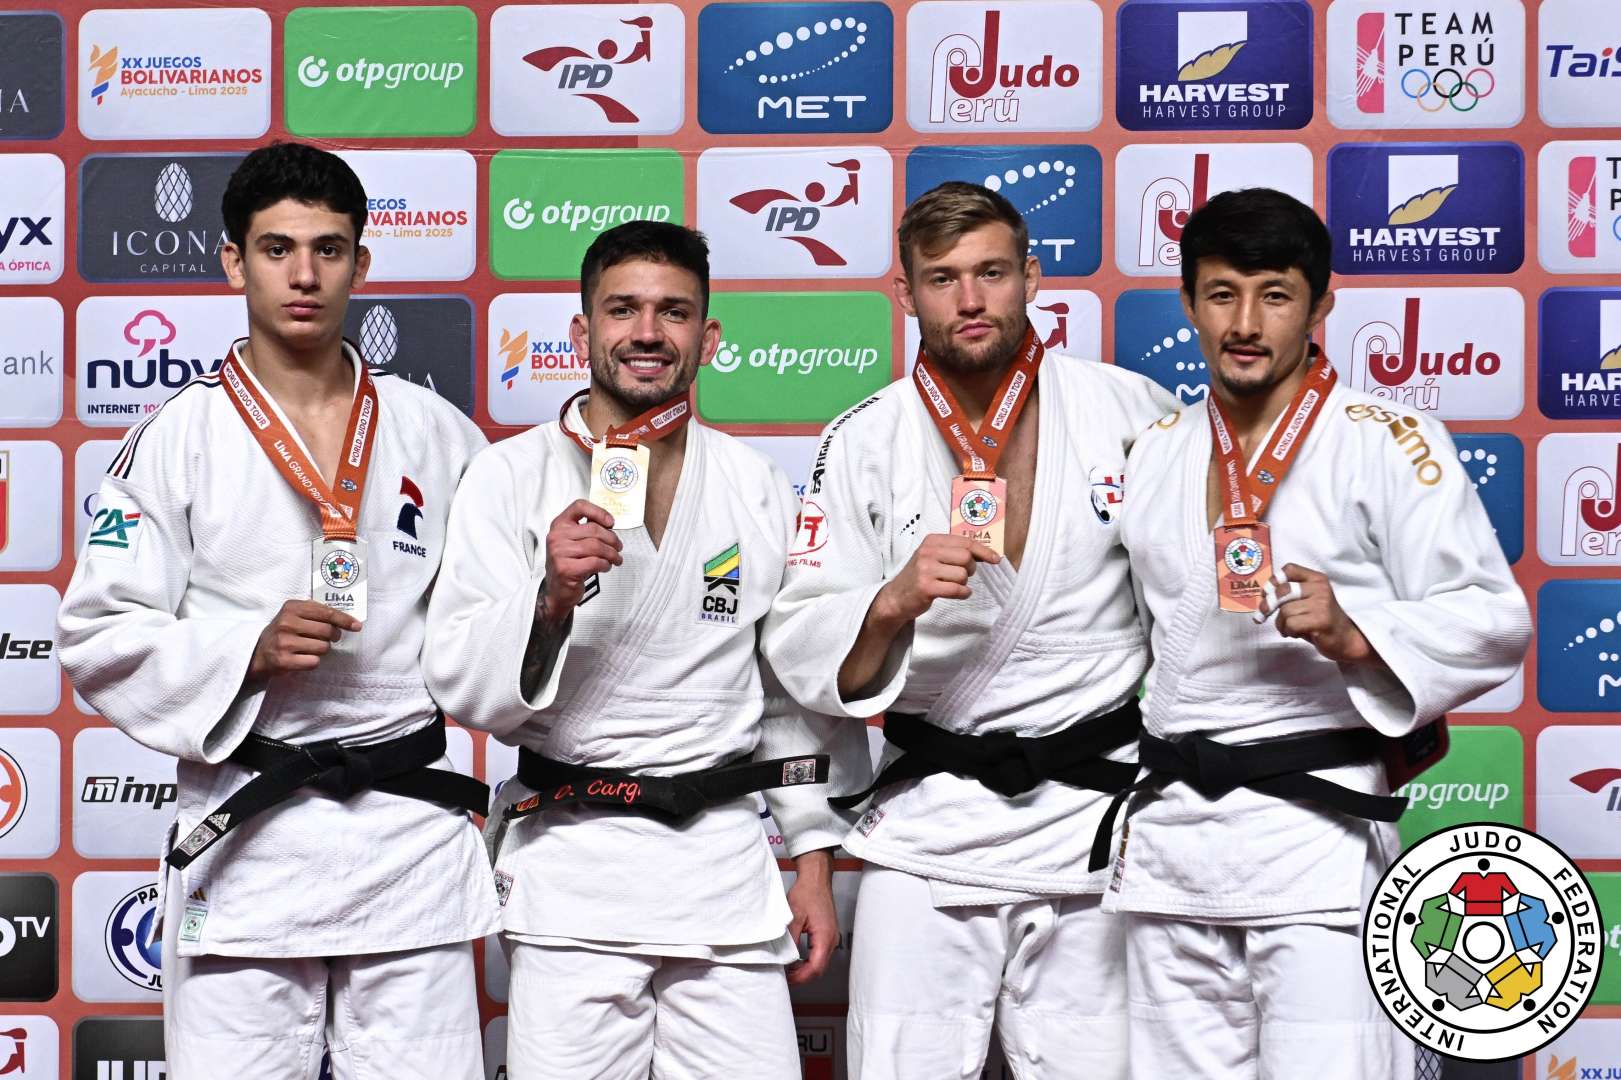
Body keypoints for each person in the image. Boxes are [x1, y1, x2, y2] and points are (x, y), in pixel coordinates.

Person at [57, 142, 499, 1077]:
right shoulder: (176, 438)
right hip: (250, 834)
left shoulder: (435, 432)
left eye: (329, 249)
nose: (304, 275)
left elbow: (489, 614)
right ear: (232, 261)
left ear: (361, 264)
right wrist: (242, 651)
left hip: (406, 828)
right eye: (276, 248)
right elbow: (96, 632)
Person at [1103, 187, 1532, 1079]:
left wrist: (1356, 634)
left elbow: (1491, 618)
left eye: (1274, 292)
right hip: (1173, 845)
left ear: (1320, 303)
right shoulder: (1155, 451)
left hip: (1318, 845)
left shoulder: (1389, 440)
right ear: (1187, 305)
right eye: (1221, 294)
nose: (1246, 322)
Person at [422, 220, 859, 1079]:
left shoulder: (753, 483)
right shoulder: (507, 477)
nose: (648, 333)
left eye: (674, 312)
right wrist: (548, 598)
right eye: (622, 310)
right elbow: (462, 681)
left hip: (722, 870)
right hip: (572, 870)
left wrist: (810, 861)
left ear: (709, 335)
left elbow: (786, 691)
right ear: (581, 333)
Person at [762, 181, 1178, 1079]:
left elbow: (1193, 615)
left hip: (1094, 826)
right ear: (906, 294)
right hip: (926, 829)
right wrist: (887, 602)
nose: (970, 298)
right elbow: (797, 647)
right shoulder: (862, 439)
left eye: (991, 272)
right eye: (942, 278)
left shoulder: (1130, 411)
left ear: (1031, 276)